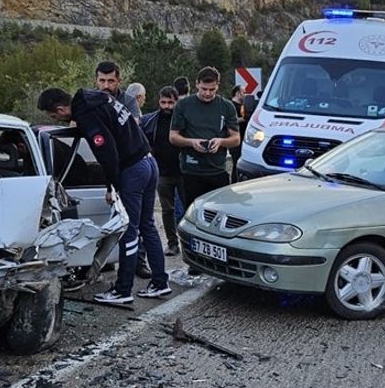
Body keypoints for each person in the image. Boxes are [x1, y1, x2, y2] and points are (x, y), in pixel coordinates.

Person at [38, 87, 169, 303]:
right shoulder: (96, 98)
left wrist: (111, 187)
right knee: (147, 225)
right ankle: (160, 282)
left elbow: (107, 152)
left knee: (128, 229)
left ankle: (122, 290)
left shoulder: (87, 114)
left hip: (133, 170)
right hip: (148, 162)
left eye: (55, 116)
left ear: (61, 108)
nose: (59, 119)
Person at [169, 67, 241, 209]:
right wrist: (191, 142)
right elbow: (173, 136)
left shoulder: (227, 106)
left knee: (220, 213)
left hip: (217, 170)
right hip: (191, 172)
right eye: (204, 89)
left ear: (217, 86)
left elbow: (236, 139)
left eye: (212, 89)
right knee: (192, 213)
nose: (207, 93)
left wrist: (220, 142)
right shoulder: (183, 105)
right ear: (197, 84)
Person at [141, 86, 182, 256]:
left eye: (170, 103)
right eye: (163, 102)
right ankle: (172, 243)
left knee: (185, 210)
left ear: (176, 102)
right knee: (167, 209)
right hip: (162, 171)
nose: (166, 106)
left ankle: (188, 243)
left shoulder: (182, 120)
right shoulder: (151, 121)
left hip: (183, 171)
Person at [229, 85, 247, 182]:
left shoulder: (243, 106)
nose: (245, 95)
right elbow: (231, 121)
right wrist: (243, 119)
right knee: (237, 164)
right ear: (237, 93)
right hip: (235, 141)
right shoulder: (230, 106)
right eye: (244, 93)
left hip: (244, 139)